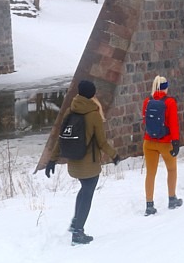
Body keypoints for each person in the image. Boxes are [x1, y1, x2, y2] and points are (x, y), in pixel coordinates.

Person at [45, 79, 120, 245]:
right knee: (88, 193)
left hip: (74, 163)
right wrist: (114, 155)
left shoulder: (70, 111)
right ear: (92, 95)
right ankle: (78, 232)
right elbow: (101, 142)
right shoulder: (93, 115)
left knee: (84, 189)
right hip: (89, 165)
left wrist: (52, 160)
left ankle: (75, 222)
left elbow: (61, 138)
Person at [141, 75, 183, 216]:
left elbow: (145, 121)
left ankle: (149, 205)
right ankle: (172, 199)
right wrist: (176, 142)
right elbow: (173, 123)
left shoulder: (147, 101)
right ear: (166, 87)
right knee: (171, 170)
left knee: (150, 174)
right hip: (165, 143)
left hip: (149, 142)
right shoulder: (170, 102)